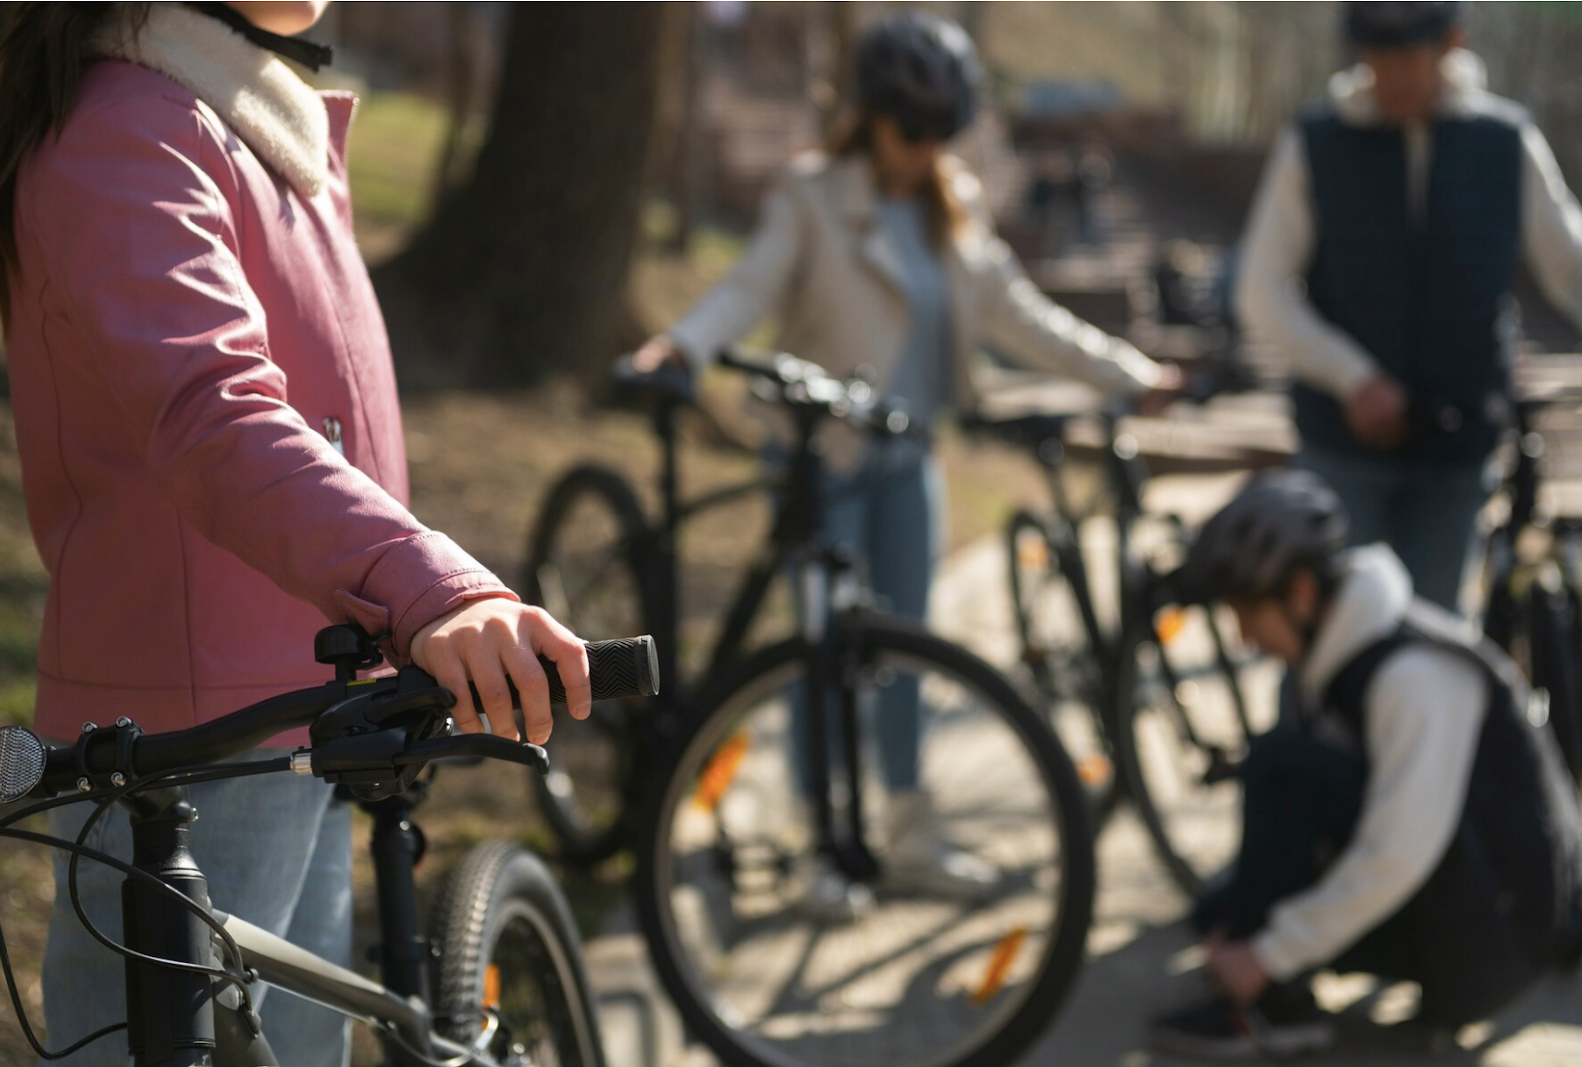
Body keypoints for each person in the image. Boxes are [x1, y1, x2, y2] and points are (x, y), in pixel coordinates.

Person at [0, 5, 592, 1064]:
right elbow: (212, 413)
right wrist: (432, 588)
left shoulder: (247, 121)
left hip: (295, 723)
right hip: (188, 749)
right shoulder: (131, 126)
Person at [633, 11, 1176, 906]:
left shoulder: (952, 206)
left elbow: (1023, 315)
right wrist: (681, 348)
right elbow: (748, 286)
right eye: (910, 128)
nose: (924, 147)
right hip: (824, 457)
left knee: (908, 650)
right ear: (872, 114)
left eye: (940, 131)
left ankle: (911, 828)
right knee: (822, 653)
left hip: (910, 457)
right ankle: (822, 842)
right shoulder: (813, 195)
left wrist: (1131, 375)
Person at [1147, 470, 1582, 1060]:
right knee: (1220, 908)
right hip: (1477, 911)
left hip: (1494, 952)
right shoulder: (1357, 653)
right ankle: (1259, 968)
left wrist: (1267, 955)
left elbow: (1397, 852)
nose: (1246, 638)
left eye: (1247, 612)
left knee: (1281, 764)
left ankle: (1266, 1003)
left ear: (1300, 593)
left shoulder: (1411, 677)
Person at [1234, 1, 1582, 613]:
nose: (1392, 76)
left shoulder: (1505, 141)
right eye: (1378, 58)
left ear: (1451, 43)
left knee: (1436, 638)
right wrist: (1353, 378)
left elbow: (1570, 267)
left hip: (1457, 446)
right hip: (1342, 448)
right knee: (1333, 636)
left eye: (1408, 58)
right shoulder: (1315, 142)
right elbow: (1260, 288)